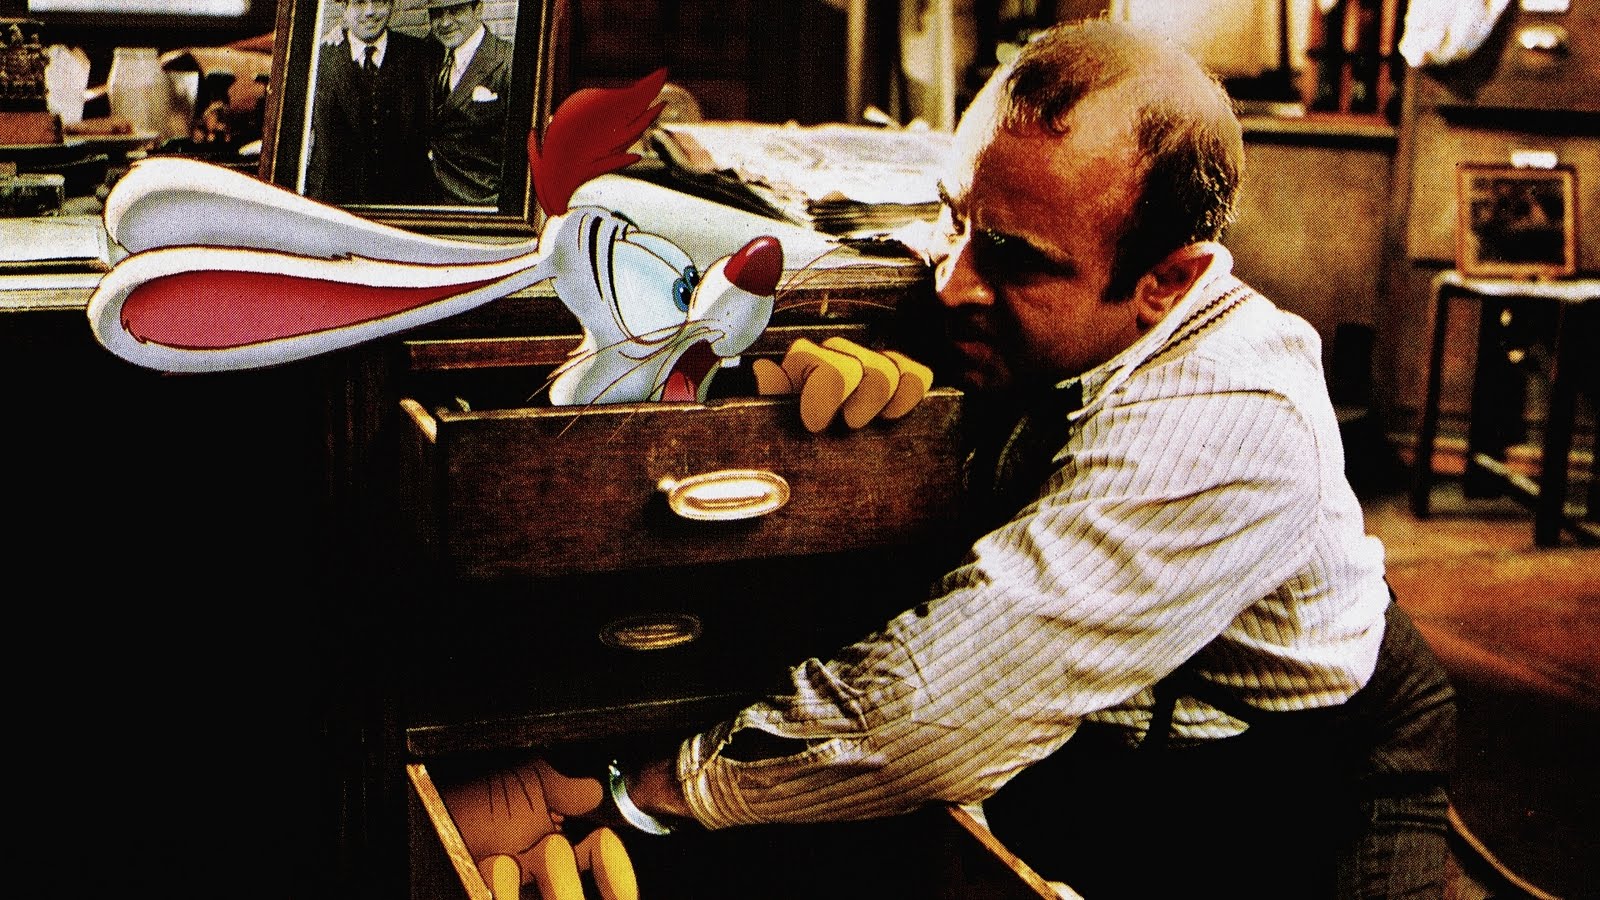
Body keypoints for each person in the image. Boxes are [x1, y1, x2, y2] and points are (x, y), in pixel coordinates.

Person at [522, 19, 1460, 898]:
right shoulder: (1021, 262)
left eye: (1012, 259)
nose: (954, 283)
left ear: (1167, 281)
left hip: (1299, 766)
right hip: (1111, 729)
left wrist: (637, 795)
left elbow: (933, 714)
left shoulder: (1227, 421)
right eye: (955, 218)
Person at [304, 0, 440, 204]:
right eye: (359, 2)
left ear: (392, 5)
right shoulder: (318, 59)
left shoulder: (421, 56)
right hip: (336, 204)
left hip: (406, 205)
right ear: (344, 7)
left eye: (379, 1)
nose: (370, 12)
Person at [426, 0, 512, 206]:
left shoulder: (507, 61)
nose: (445, 22)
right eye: (437, 13)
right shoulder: (429, 54)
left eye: (456, 10)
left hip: (481, 202)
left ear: (478, 9)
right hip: (431, 202)